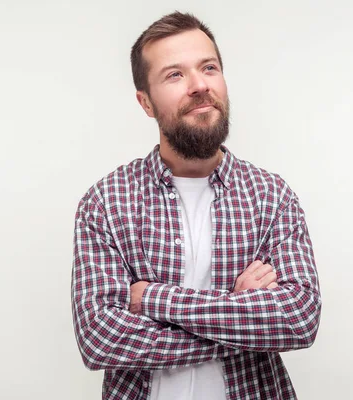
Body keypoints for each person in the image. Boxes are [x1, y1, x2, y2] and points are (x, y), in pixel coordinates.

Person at [72, 11, 321, 400]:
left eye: (209, 67)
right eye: (175, 74)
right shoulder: (106, 202)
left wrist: (152, 298)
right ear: (146, 103)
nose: (199, 85)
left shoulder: (272, 196)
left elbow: (297, 320)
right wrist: (240, 317)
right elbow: (100, 339)